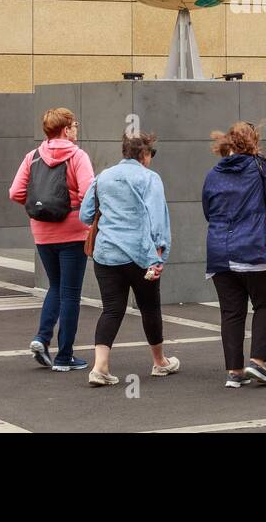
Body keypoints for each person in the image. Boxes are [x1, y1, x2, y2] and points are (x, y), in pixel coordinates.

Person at [78, 131, 179, 387]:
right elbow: (158, 219)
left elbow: (85, 214)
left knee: (112, 309)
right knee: (149, 307)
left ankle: (100, 367)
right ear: (144, 154)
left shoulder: (103, 177)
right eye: (151, 154)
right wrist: (160, 255)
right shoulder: (149, 178)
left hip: (107, 253)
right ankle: (159, 362)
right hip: (140, 255)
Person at [8, 108, 95, 372]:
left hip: (43, 232)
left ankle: (41, 338)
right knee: (71, 293)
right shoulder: (78, 156)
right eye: (75, 125)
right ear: (66, 130)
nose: (77, 130)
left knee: (55, 286)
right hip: (73, 231)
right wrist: (85, 218)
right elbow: (88, 192)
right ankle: (64, 356)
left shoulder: (32, 157)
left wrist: (40, 208)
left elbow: (15, 192)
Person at [202, 121, 266, 388]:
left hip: (218, 252)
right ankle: (258, 363)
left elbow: (208, 211)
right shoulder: (260, 166)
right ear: (253, 141)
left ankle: (234, 372)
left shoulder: (213, 173)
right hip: (252, 250)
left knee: (231, 311)